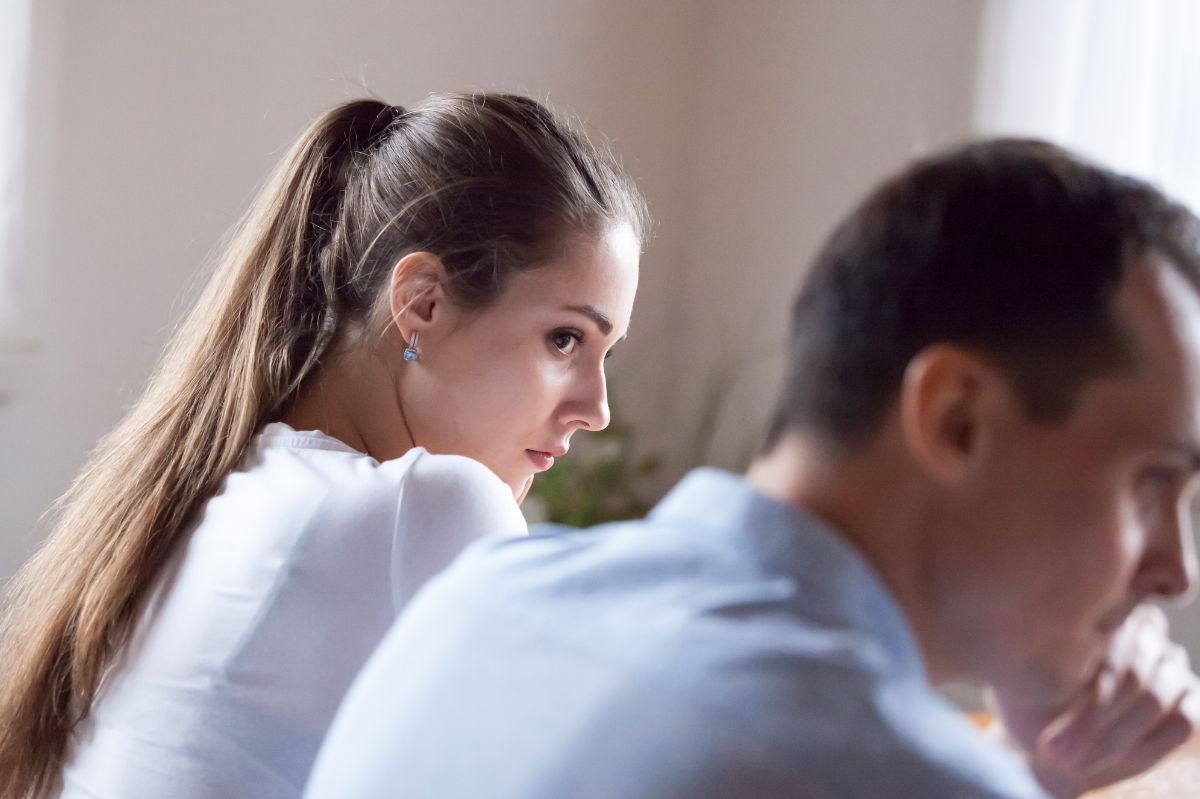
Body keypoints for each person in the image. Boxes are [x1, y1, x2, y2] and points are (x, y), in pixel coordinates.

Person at [305, 140, 1200, 799]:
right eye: (1152, 482)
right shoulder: (896, 774)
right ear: (957, 419)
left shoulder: (479, 600)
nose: (1177, 568)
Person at [0, 93, 646, 799]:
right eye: (564, 339)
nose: (597, 410)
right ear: (422, 302)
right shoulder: (431, 507)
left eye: (605, 352)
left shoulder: (213, 485)